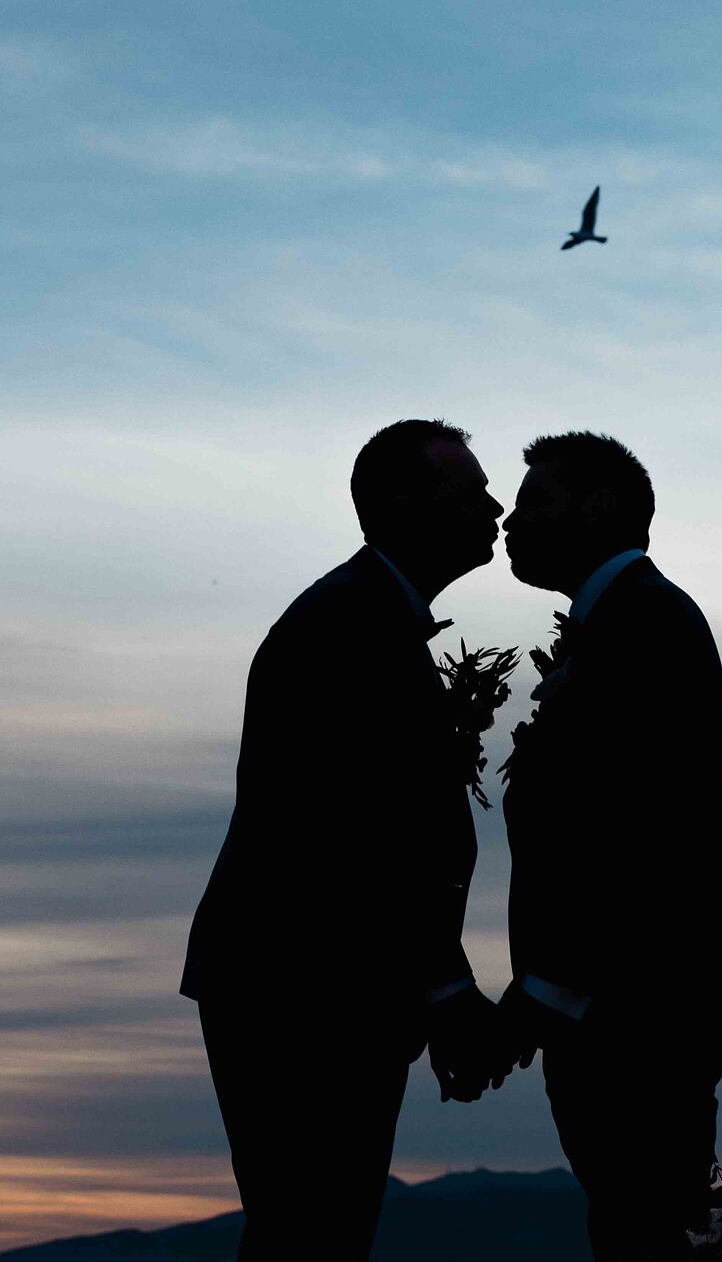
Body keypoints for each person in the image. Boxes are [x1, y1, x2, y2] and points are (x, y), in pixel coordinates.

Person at [181, 419, 510, 1259]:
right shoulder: (348, 627)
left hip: (313, 984)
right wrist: (445, 991)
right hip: (300, 989)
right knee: (311, 1229)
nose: (496, 507)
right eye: (468, 492)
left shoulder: (369, 617)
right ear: (399, 504)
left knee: (314, 1228)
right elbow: (357, 838)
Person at [498, 430, 722, 1261]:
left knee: (643, 1225)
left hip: (640, 1000)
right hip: (625, 997)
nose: (511, 519)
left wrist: (551, 987)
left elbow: (639, 829)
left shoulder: (645, 625)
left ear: (600, 506)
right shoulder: (618, 623)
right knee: (632, 1220)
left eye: (535, 501)